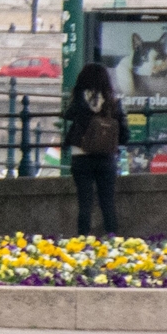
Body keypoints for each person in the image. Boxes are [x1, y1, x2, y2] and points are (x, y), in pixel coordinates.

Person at [61, 62, 128, 235]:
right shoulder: (113, 102)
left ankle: (82, 239)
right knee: (107, 202)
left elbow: (68, 115)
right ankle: (112, 238)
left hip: (81, 157)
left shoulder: (80, 99)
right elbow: (124, 135)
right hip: (106, 157)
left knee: (85, 202)